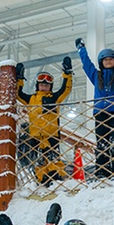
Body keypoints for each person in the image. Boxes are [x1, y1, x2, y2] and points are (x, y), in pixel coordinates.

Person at [75, 38, 114, 179]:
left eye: (111, 59)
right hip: (101, 113)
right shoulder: (96, 76)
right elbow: (87, 64)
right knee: (102, 142)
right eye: (105, 60)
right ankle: (102, 170)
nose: (108, 62)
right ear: (101, 62)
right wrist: (81, 49)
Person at [16, 57, 73, 185]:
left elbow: (65, 89)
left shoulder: (54, 98)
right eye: (42, 85)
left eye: (46, 86)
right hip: (35, 136)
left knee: (53, 159)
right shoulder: (30, 99)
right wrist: (19, 78)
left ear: (50, 87)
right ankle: (42, 181)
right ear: (37, 86)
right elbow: (18, 94)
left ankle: (56, 180)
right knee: (39, 161)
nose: (44, 87)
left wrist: (67, 73)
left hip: (51, 135)